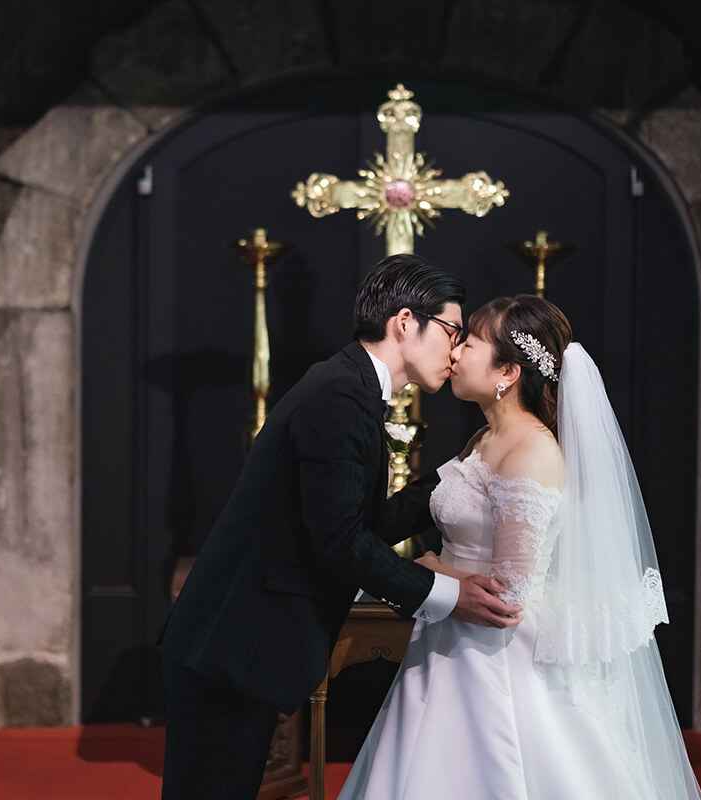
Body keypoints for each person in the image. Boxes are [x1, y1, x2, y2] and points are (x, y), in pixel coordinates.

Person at [158, 254, 524, 800]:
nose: (454, 349)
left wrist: (458, 478)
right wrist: (449, 595)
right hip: (233, 645)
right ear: (405, 323)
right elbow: (339, 542)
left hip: (239, 643)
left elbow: (355, 522)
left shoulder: (348, 386)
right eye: (451, 330)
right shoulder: (340, 394)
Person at [338, 294, 701, 800]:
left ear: (507, 371)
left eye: (468, 342)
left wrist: (427, 568)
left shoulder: (531, 451)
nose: (455, 352)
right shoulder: (483, 440)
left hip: (495, 656)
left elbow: (508, 595)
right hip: (448, 638)